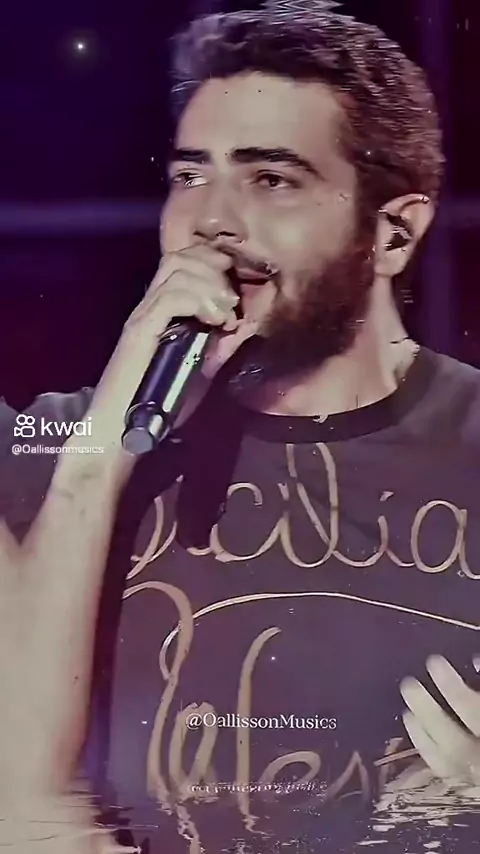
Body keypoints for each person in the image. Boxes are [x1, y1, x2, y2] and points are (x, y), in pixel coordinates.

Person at [2, 0, 480, 851]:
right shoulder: (47, 460)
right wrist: (96, 461)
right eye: (191, 176)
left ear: (394, 234)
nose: (210, 221)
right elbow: (15, 807)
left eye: (271, 180)